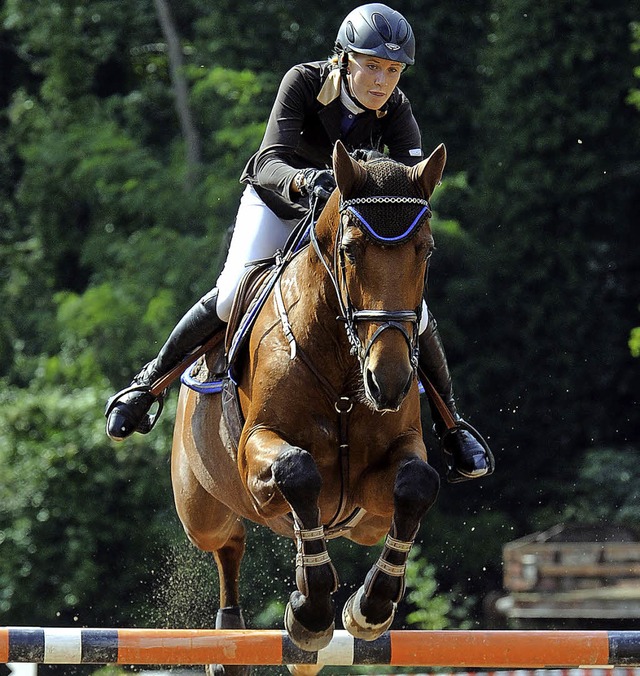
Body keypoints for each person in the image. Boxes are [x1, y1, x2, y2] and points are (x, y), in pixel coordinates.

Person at [105, 3, 492, 482]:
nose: (381, 82)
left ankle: (451, 425)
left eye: (392, 70)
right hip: (276, 204)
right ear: (343, 59)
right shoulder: (303, 83)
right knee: (231, 293)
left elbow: (411, 180)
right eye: (371, 66)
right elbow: (268, 161)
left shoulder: (397, 108)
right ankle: (149, 385)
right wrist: (306, 182)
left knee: (416, 309)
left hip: (341, 226)